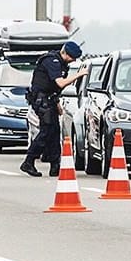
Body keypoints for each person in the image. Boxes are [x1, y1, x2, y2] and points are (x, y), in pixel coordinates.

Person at [20, 40, 87, 177]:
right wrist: (79, 75)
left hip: (50, 100)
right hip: (41, 100)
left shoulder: (62, 64)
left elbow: (54, 88)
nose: (72, 61)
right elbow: (60, 83)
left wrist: (57, 103)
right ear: (65, 53)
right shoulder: (52, 61)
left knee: (54, 133)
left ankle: (55, 165)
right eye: (71, 58)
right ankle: (29, 161)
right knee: (46, 131)